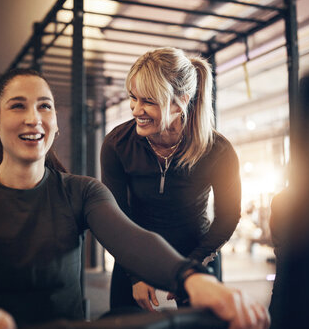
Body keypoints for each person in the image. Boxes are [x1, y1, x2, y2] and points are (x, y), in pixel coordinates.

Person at [0, 68, 269, 329]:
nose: (33, 118)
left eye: (44, 106)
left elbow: (129, 237)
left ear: (55, 124)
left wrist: (196, 278)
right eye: (18, 105)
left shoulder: (83, 191)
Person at [101, 47, 241, 311]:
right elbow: (115, 215)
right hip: (135, 253)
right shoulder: (117, 144)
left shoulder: (218, 150)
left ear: (180, 102)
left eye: (149, 101)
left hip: (197, 250)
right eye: (133, 98)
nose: (136, 110)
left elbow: (228, 216)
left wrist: (195, 267)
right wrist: (136, 273)